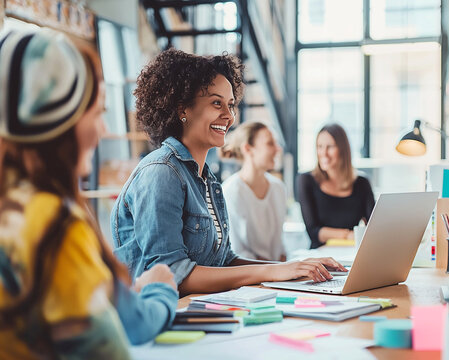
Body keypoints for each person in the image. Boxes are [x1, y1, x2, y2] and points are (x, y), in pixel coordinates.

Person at [0, 29, 178, 359]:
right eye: (97, 113)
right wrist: (161, 289)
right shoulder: (53, 224)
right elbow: (116, 343)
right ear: (61, 121)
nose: (104, 130)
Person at [111, 49, 347, 295]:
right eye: (216, 103)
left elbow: (223, 262)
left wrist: (295, 268)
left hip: (198, 311)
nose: (229, 115)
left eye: (231, 105)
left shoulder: (206, 179)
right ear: (183, 110)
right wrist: (274, 272)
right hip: (158, 320)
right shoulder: (161, 173)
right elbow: (173, 275)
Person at [297, 123, 375, 249]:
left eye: (330, 147)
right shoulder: (306, 180)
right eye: (319, 146)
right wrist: (348, 235)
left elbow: (374, 227)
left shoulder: (362, 183)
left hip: (352, 253)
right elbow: (314, 232)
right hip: (320, 256)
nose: (323, 153)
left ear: (343, 149)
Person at [220, 122, 287, 261]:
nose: (278, 149)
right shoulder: (230, 192)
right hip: (248, 276)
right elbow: (235, 252)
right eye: (270, 143)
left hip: (278, 275)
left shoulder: (278, 188)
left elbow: (280, 247)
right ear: (248, 149)